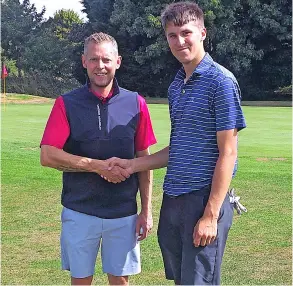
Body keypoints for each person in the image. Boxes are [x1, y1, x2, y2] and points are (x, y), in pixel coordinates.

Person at [106, 2, 247, 285]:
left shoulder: (221, 82)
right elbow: (178, 147)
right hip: (174, 197)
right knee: (182, 279)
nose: (179, 41)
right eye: (172, 35)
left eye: (186, 32)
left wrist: (210, 214)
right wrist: (133, 165)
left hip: (202, 198)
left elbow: (228, 153)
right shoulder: (176, 85)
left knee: (199, 281)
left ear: (202, 32)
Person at [40, 32, 157, 285]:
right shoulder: (66, 103)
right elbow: (48, 155)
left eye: (106, 59)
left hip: (124, 212)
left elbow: (144, 161)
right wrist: (97, 167)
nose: (100, 66)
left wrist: (146, 211)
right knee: (81, 281)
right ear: (84, 61)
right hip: (79, 210)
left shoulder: (136, 103)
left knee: (121, 281)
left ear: (118, 61)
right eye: (94, 59)